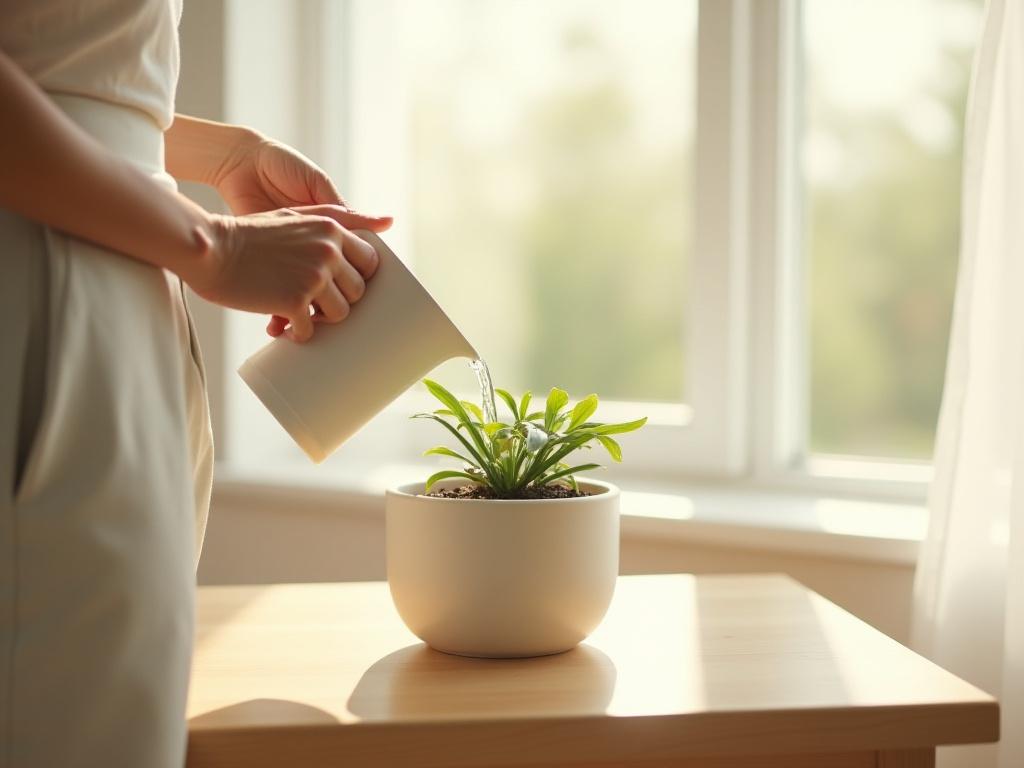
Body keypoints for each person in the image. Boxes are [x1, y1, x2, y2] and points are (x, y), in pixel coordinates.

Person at [0, 2, 391, 766]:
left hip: (112, 270)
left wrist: (224, 158)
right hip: (46, 280)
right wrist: (214, 244)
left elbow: (50, 60)